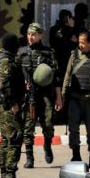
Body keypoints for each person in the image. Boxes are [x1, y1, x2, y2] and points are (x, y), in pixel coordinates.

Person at [20, 23, 62, 168]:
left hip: (45, 94)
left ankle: (47, 145)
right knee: (28, 127)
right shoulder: (21, 53)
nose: (30, 37)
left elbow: (56, 77)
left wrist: (58, 96)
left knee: (48, 124)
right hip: (28, 95)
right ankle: (29, 156)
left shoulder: (48, 53)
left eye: (33, 34)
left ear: (40, 35)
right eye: (29, 34)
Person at [0, 34, 28, 178]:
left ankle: (4, 177)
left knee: (6, 139)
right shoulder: (5, 60)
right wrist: (12, 103)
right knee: (15, 137)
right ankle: (10, 176)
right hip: (6, 104)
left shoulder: (1, 56)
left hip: (2, 103)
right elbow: (4, 84)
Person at [61, 32, 90, 166]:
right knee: (73, 128)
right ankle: (76, 155)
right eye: (79, 42)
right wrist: (63, 94)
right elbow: (68, 74)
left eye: (83, 42)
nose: (80, 45)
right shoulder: (74, 55)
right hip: (75, 98)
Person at [49, 9, 78, 85]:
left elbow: (76, 43)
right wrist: (71, 29)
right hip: (59, 60)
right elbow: (62, 42)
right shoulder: (55, 29)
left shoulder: (72, 29)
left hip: (70, 59)